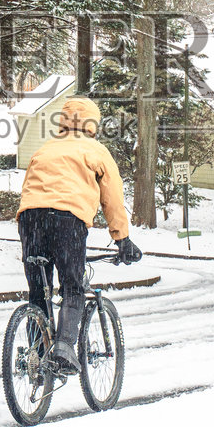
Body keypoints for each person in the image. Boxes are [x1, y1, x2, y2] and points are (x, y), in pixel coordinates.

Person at [17, 97, 142, 373]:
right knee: (73, 286)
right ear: (92, 123)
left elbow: (28, 187)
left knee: (39, 291)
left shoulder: (45, 149)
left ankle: (36, 356)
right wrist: (122, 239)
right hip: (67, 220)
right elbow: (112, 199)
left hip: (30, 218)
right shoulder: (95, 151)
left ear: (63, 120)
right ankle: (63, 347)